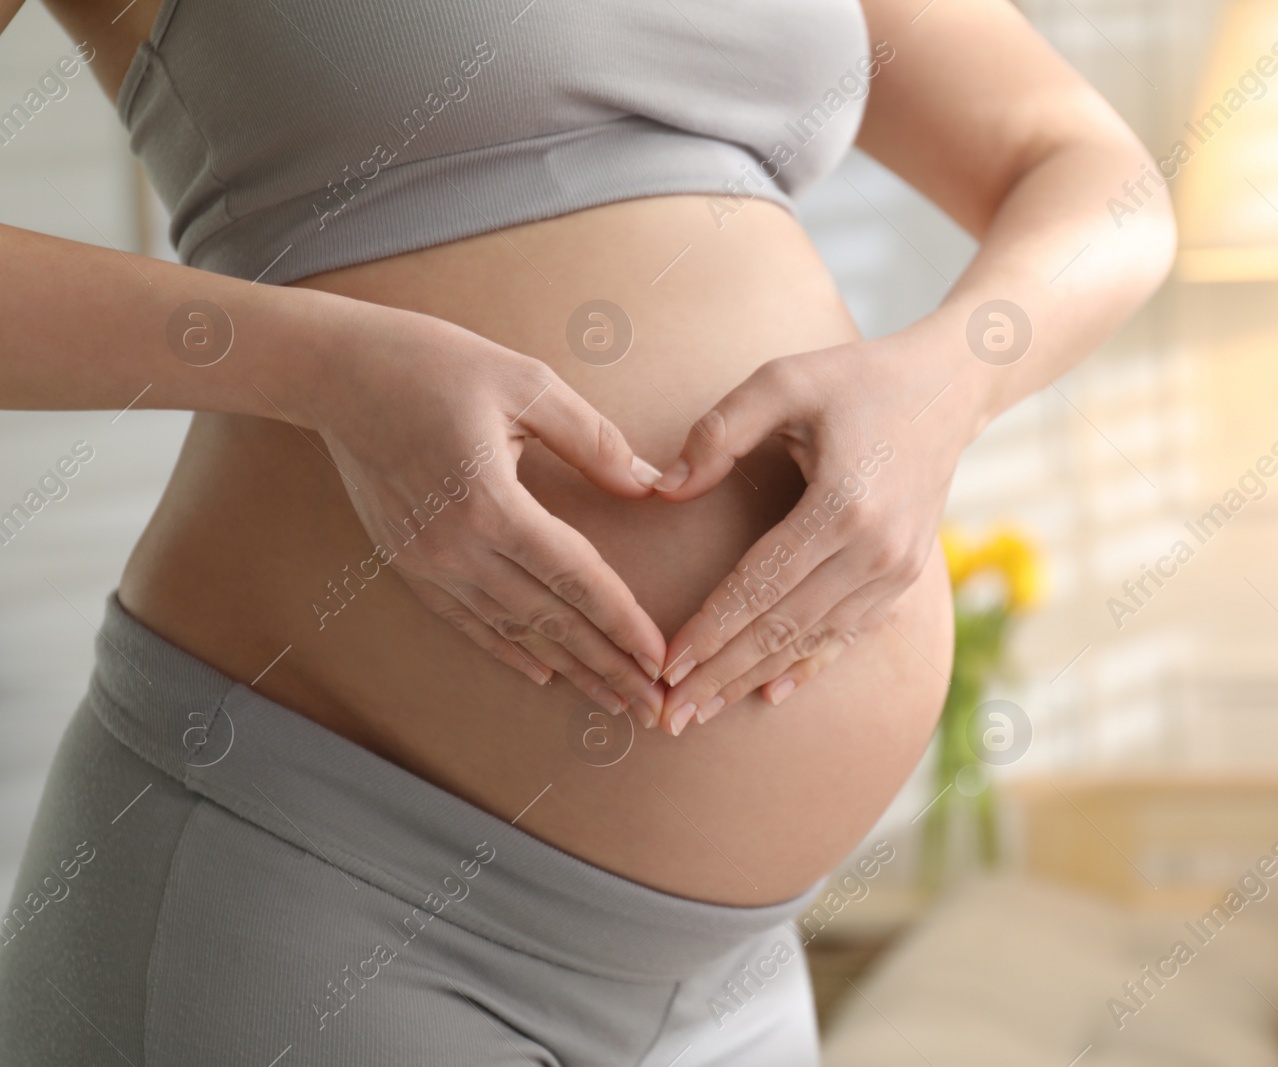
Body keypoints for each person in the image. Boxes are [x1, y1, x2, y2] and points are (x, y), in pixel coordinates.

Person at [0, 0, 1174, 1061]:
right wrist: (324, 362)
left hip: (735, 974)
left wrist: (948, 380)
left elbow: (1088, 167)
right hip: (312, 888)